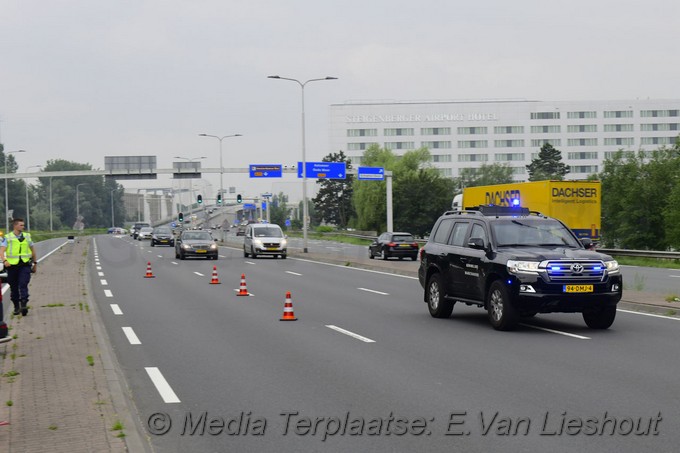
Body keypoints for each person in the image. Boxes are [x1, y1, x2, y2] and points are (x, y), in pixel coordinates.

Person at [0, 218, 37, 316]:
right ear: (15, 226)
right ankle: (16, 306)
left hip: (25, 265)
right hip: (12, 266)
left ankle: (24, 303)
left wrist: (35, 263)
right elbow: (2, 251)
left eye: (23, 225)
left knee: (23, 283)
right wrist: (5, 260)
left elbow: (33, 250)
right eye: (21, 225)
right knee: (14, 287)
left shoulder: (27, 236)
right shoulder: (8, 237)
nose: (23, 227)